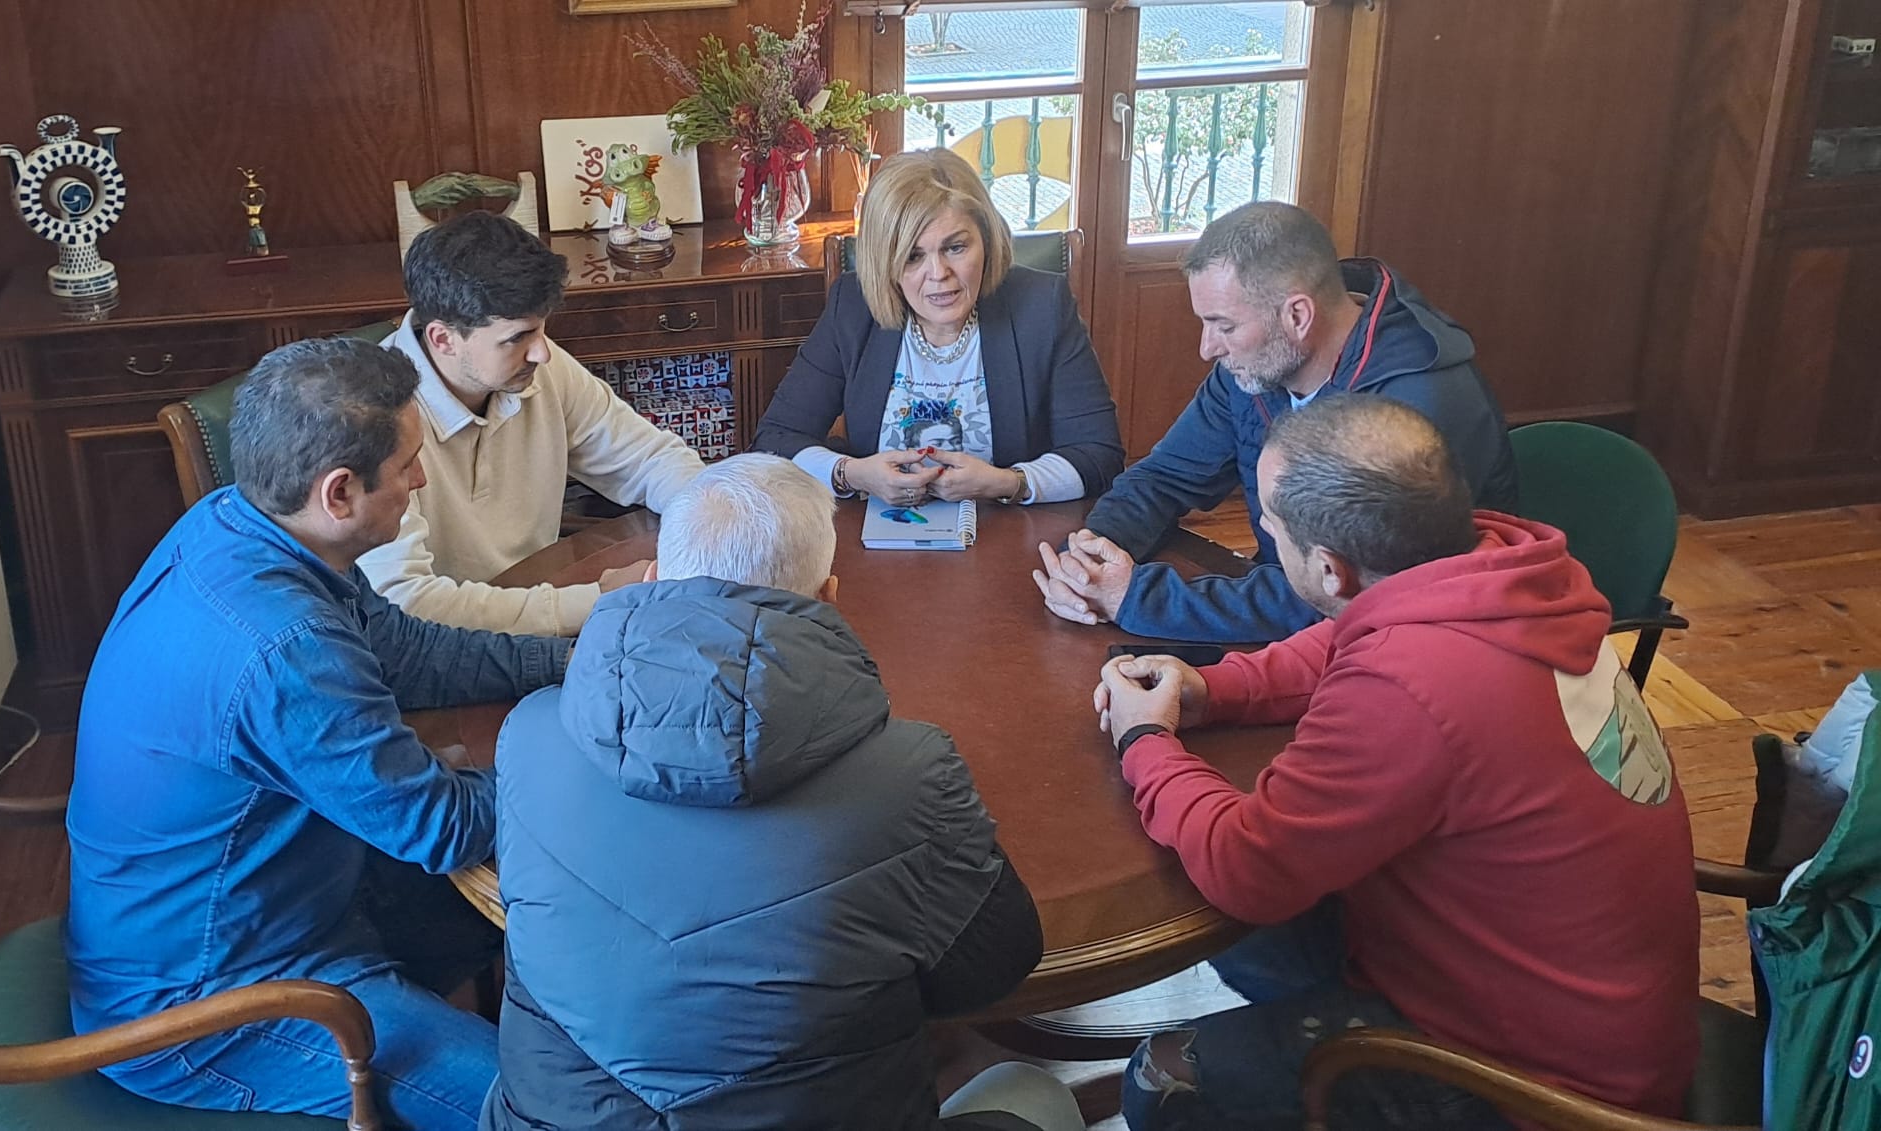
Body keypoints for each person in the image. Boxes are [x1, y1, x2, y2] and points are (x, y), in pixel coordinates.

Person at [1093, 395, 1699, 1131]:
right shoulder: (1503, 567)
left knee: (1164, 1080)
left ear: (1328, 568)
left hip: (1543, 1088)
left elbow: (1244, 864)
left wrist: (1144, 741)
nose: (1268, 541)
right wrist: (1208, 688)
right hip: (1600, 1008)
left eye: (1272, 532)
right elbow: (1350, 634)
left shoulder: (1411, 685)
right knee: (1263, 929)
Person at [484, 453, 1086, 1131]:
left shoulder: (529, 734)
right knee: (1033, 1093)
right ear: (829, 596)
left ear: (653, 578)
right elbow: (993, 969)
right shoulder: (911, 773)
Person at [66, 337, 571, 1130]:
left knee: (551, 931)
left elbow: (410, 653)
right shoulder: (286, 646)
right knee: (552, 1107)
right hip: (213, 1007)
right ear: (339, 492)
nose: (419, 477)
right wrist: (584, 761)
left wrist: (577, 663)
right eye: (407, 463)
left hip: (285, 901)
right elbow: (439, 826)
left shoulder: (235, 522)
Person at [1035, 201, 1517, 644]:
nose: (1208, 348)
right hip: (1296, 629)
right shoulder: (1255, 369)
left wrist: (1137, 597)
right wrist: (1091, 556)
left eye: (1224, 326)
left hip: (1427, 646)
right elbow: (1164, 477)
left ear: (1298, 315)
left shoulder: (1417, 405)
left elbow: (1342, 595)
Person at [359, 209, 706, 636]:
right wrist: (598, 599)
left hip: (538, 601)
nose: (542, 351)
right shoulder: (373, 417)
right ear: (442, 339)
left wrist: (714, 520)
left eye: (541, 330)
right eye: (517, 337)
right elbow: (407, 604)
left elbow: (650, 458)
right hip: (446, 653)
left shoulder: (538, 364)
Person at [753, 148, 1123, 508]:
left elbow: (1100, 456)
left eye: (956, 248)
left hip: (1007, 540)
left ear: (986, 240)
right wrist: (851, 473)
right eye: (913, 256)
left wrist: (1007, 482)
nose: (939, 274)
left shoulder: (1041, 306)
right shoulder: (852, 306)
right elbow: (774, 440)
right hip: (879, 544)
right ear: (886, 261)